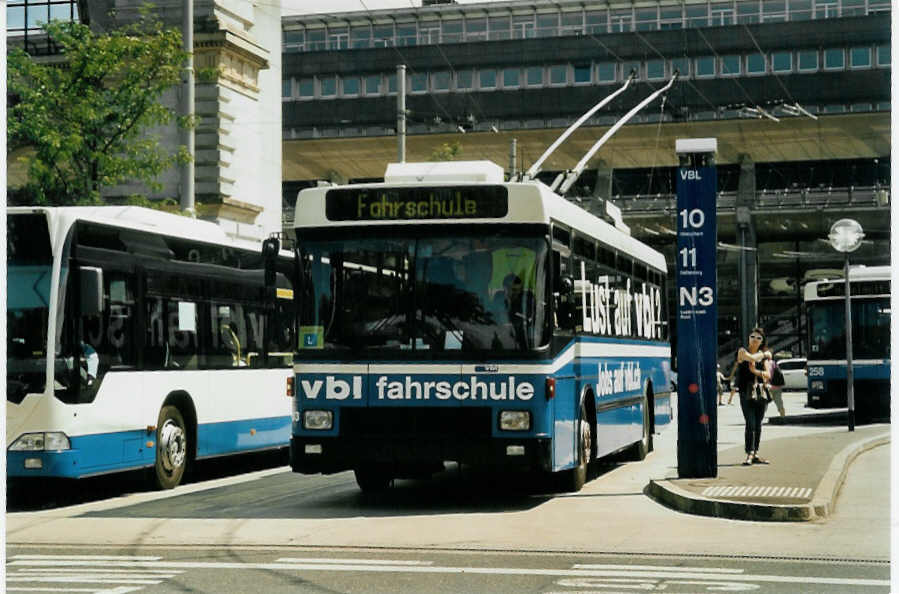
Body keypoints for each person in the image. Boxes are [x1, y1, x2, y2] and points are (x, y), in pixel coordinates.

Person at [734, 327, 773, 466]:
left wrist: (756, 371)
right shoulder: (741, 351)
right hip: (746, 392)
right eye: (752, 337)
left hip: (761, 392)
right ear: (748, 338)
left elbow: (768, 375)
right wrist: (764, 355)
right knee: (750, 423)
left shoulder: (764, 356)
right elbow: (748, 358)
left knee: (758, 424)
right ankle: (749, 453)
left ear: (762, 341)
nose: (755, 340)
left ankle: (755, 453)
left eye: (758, 338)